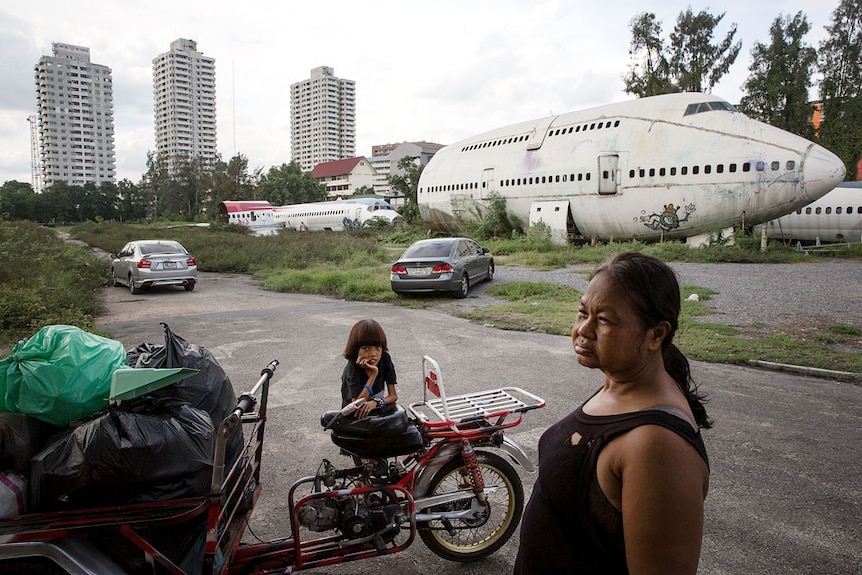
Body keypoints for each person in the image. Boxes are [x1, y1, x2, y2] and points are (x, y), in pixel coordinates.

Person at [514, 252, 711, 575]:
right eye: (582, 313)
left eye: (604, 320)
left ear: (656, 335)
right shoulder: (619, 386)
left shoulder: (657, 446)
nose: (584, 330)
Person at [341, 319, 398, 419]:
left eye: (378, 347)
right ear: (356, 350)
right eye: (365, 348)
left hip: (377, 409)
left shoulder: (384, 358)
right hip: (354, 416)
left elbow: (393, 396)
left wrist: (376, 403)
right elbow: (357, 405)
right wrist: (373, 375)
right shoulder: (353, 367)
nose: (373, 354)